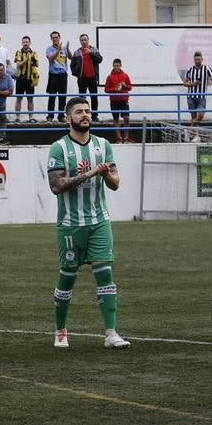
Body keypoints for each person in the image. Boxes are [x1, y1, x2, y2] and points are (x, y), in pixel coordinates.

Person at [47, 97, 128, 350]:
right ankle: (60, 331)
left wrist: (106, 174)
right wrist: (89, 174)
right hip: (71, 224)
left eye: (88, 111)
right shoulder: (59, 148)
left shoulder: (103, 145)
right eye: (79, 112)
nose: (85, 115)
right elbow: (56, 186)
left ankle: (111, 333)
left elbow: (115, 183)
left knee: (105, 273)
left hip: (99, 220)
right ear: (67, 118)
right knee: (68, 277)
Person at [181, 51, 212, 141]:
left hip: (201, 96)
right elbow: (184, 83)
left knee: (201, 115)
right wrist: (193, 84)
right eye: (196, 59)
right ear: (194, 60)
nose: (197, 61)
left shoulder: (206, 68)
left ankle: (188, 130)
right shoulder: (190, 70)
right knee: (193, 117)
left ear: (202, 59)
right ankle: (196, 136)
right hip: (191, 96)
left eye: (199, 59)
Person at [70, 34, 103, 120]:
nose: (84, 42)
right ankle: (82, 116)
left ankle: (95, 116)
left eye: (85, 40)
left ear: (88, 40)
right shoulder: (77, 52)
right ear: (80, 41)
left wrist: (91, 53)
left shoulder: (94, 49)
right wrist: (77, 74)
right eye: (82, 40)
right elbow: (72, 65)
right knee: (82, 99)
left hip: (92, 77)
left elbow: (99, 59)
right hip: (82, 79)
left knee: (94, 97)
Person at [104, 59, 134, 144]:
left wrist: (125, 85)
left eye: (117, 65)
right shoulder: (109, 77)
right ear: (113, 66)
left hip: (124, 99)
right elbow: (106, 89)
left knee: (126, 118)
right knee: (116, 119)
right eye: (114, 65)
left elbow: (130, 87)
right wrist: (115, 89)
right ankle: (119, 138)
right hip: (114, 100)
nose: (116, 67)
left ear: (120, 66)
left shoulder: (125, 75)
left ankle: (126, 138)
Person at [13, 37, 41, 123]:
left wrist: (34, 61)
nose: (25, 43)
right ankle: (17, 117)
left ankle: (31, 117)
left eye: (27, 42)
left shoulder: (34, 53)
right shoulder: (19, 52)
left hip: (30, 79)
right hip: (20, 79)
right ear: (22, 43)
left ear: (30, 43)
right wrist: (25, 61)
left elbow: (37, 64)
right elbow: (17, 65)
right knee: (19, 98)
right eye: (24, 42)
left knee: (30, 99)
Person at [45, 31, 70, 121]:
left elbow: (70, 57)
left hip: (63, 75)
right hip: (53, 75)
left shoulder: (64, 48)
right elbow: (50, 59)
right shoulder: (49, 49)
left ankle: (61, 116)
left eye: (56, 37)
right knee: (52, 96)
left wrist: (68, 49)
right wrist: (58, 50)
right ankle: (50, 116)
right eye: (53, 37)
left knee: (62, 97)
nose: (55, 39)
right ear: (51, 39)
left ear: (59, 38)